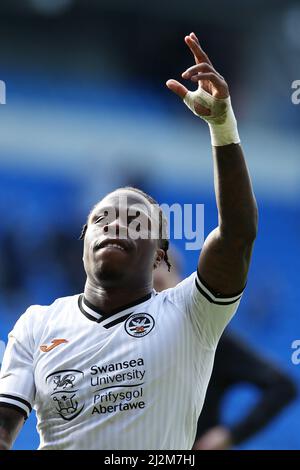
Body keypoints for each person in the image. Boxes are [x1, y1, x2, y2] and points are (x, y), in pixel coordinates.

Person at [0, 32, 258, 450]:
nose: (115, 225)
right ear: (84, 242)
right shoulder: (38, 324)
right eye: (101, 218)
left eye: (134, 220)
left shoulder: (191, 314)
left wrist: (222, 126)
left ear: (160, 254)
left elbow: (237, 234)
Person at [154, 256, 297, 450]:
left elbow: (282, 386)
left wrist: (229, 435)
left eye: (160, 283)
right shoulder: (122, 340)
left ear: (180, 283)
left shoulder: (208, 336)